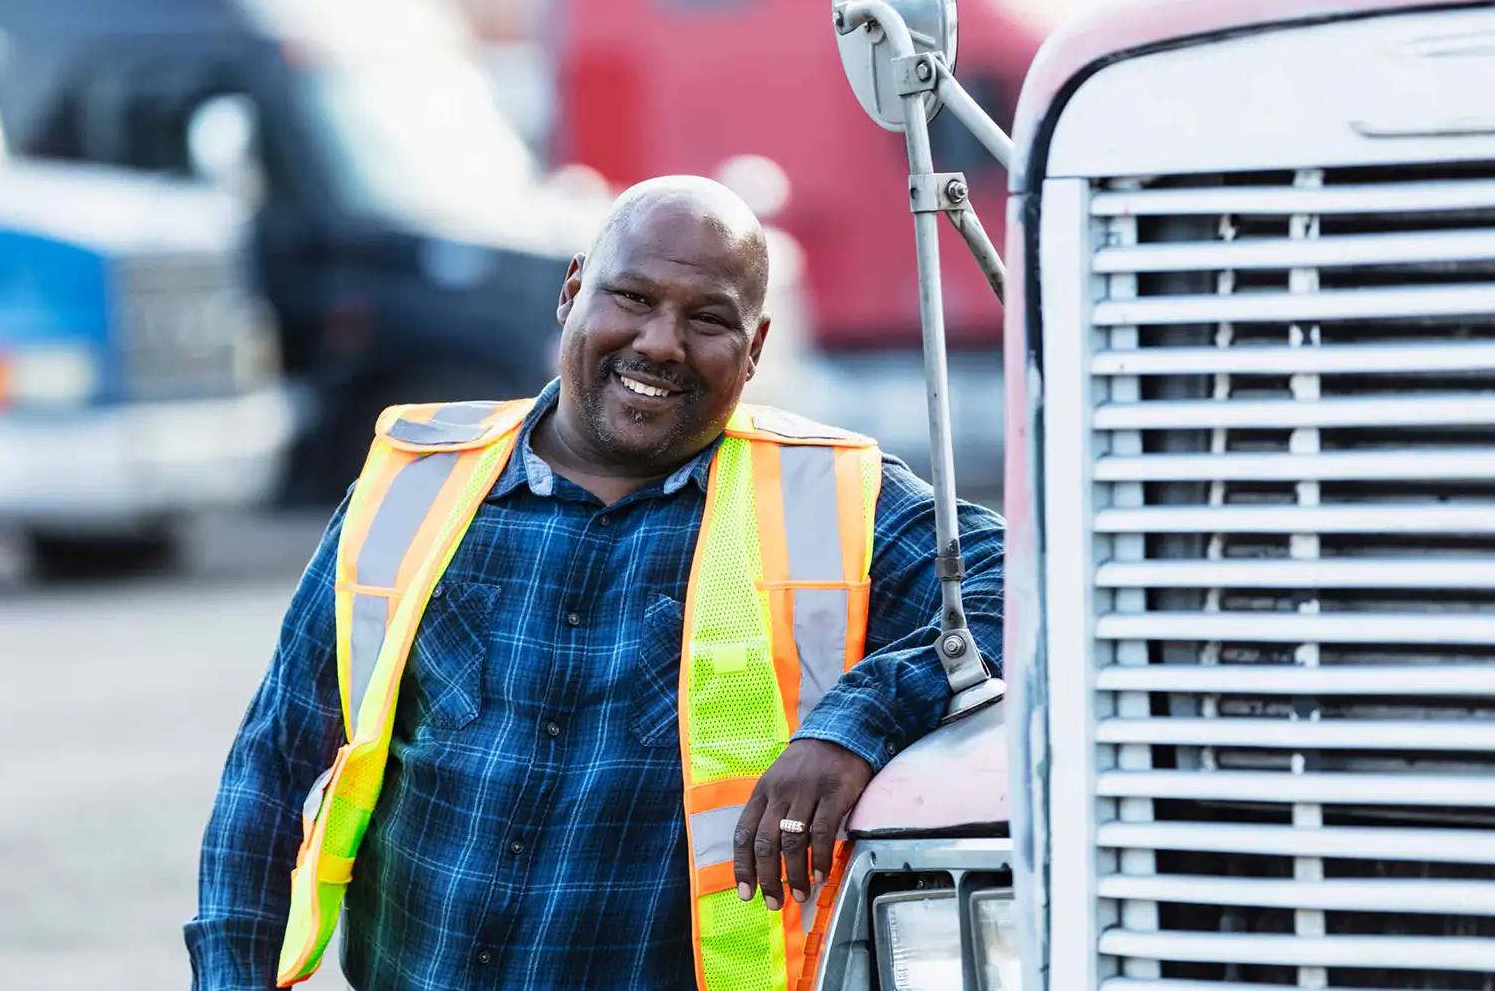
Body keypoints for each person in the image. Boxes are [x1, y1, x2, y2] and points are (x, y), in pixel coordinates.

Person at [186, 176, 1003, 990]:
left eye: (707, 319)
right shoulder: (413, 485)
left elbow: (1036, 589)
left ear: (753, 349)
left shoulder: (831, 501)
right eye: (633, 297)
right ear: (572, 292)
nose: (660, 342)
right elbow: (273, 766)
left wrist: (853, 725)